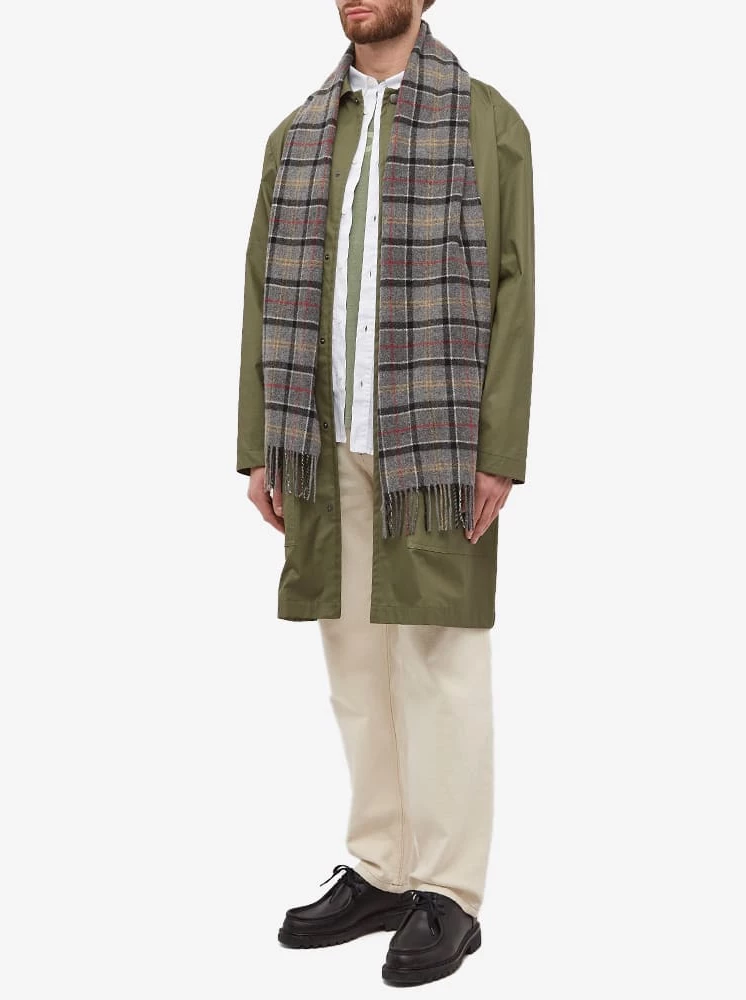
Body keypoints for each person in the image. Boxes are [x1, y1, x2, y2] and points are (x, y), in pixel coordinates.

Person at [236, 0, 534, 986]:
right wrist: (261, 444)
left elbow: (515, 287)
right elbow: (262, 291)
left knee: (440, 664)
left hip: (435, 439)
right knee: (355, 665)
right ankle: (380, 867)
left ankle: (447, 891)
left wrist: (498, 448)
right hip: (323, 438)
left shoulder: (485, 121)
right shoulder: (299, 132)